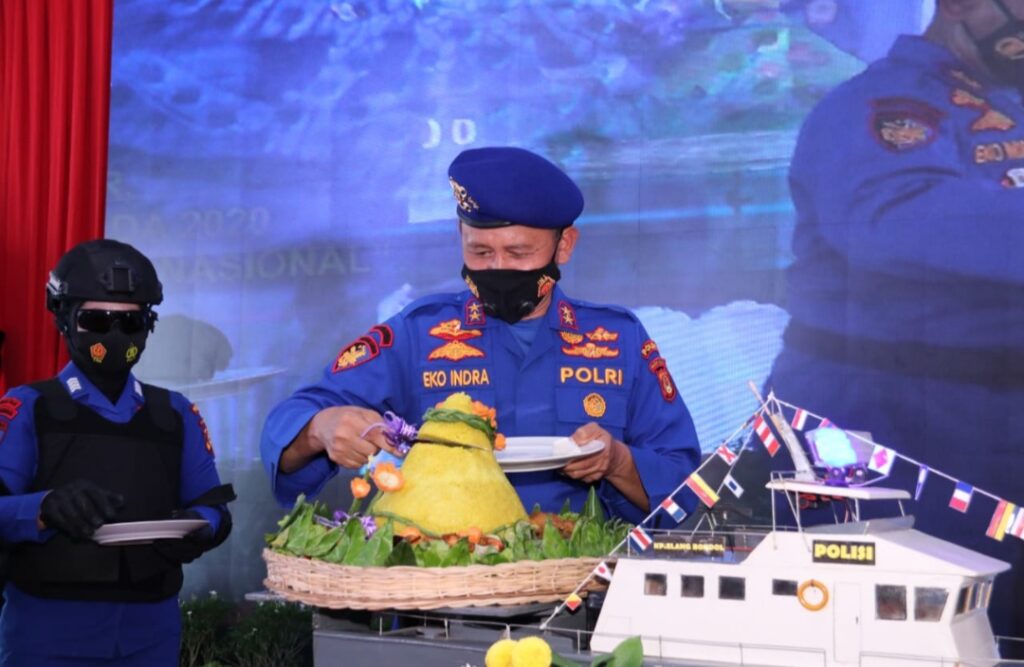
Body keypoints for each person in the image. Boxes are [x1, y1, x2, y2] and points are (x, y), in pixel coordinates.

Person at [261, 146, 701, 525]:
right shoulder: (418, 333)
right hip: (439, 592)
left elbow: (688, 490)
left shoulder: (618, 340)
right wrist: (321, 429)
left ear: (564, 245)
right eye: (480, 251)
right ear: (460, 237)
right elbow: (292, 421)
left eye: (518, 252)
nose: (497, 269)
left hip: (579, 592)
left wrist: (619, 462)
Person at [767, 0, 1024, 645]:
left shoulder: (1011, 100)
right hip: (895, 441)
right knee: (908, 642)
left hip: (995, 432)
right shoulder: (884, 109)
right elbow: (901, 226)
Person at [0, 239, 234, 666]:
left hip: (151, 635)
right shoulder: (29, 408)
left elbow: (213, 506)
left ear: (149, 326)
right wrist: (43, 508)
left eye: (131, 323)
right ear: (64, 321)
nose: (113, 335)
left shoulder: (176, 413)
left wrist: (198, 527)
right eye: (96, 319)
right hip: (47, 634)